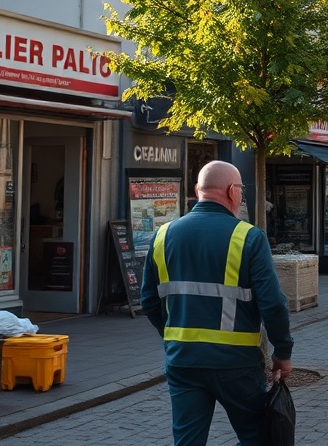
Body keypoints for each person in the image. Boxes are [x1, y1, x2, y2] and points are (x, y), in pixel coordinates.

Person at [140, 160, 293, 446]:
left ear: (198, 190)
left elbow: (148, 300)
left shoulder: (162, 236)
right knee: (256, 437)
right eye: (242, 192)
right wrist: (282, 352)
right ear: (233, 192)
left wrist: (174, 335)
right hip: (236, 364)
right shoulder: (248, 237)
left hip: (183, 360)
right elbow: (272, 304)